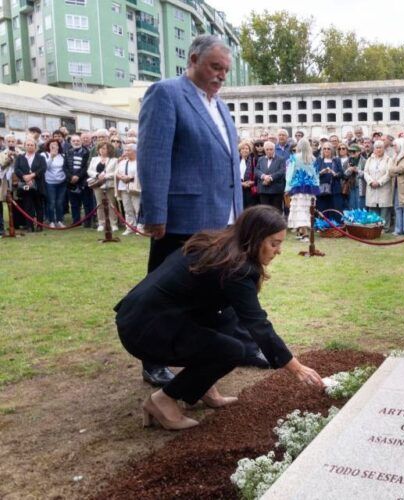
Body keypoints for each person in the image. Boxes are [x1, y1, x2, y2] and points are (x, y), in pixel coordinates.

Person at [115, 206, 324, 430]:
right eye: (274, 243)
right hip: (145, 330)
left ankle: (202, 385)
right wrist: (296, 367)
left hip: (141, 317)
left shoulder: (220, 245)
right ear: (254, 239)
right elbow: (257, 323)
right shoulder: (238, 268)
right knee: (231, 351)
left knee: (227, 320)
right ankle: (162, 400)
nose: (278, 250)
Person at [137, 35, 255, 388]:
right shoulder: (166, 93)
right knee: (164, 292)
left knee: (218, 290)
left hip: (222, 218)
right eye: (214, 67)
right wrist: (155, 213)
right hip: (180, 219)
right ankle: (153, 358)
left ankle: (229, 347)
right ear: (192, 59)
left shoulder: (219, 105)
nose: (221, 76)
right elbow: (153, 156)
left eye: (225, 70)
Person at [286, 138, 319, 242]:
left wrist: (287, 187)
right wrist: (316, 186)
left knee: (299, 210)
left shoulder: (294, 158)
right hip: (310, 189)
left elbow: (289, 174)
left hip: (297, 187)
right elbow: (316, 175)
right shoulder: (313, 158)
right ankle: (301, 232)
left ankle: (304, 235)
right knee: (306, 210)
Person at [13, 138, 47, 232]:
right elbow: (17, 169)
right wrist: (25, 177)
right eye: (28, 145)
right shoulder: (20, 157)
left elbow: (43, 168)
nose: (29, 146)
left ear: (35, 147)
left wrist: (32, 175)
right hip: (25, 186)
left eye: (32, 145)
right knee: (28, 206)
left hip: (38, 185)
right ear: (24, 146)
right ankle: (29, 226)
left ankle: (40, 226)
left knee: (39, 206)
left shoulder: (40, 157)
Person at [87, 141, 119, 232]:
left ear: (109, 149)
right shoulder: (94, 159)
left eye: (104, 148)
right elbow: (89, 171)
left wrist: (105, 176)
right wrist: (97, 175)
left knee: (111, 204)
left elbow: (116, 172)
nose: (102, 150)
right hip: (97, 184)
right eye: (100, 148)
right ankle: (101, 223)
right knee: (99, 204)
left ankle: (113, 224)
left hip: (109, 185)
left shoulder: (114, 160)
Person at [64, 134, 93, 228]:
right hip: (70, 182)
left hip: (83, 181)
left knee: (86, 203)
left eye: (78, 141)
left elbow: (86, 167)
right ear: (70, 142)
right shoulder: (67, 152)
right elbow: (65, 167)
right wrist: (71, 177)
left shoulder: (87, 152)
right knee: (74, 204)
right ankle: (76, 221)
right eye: (74, 141)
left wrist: (78, 176)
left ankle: (87, 222)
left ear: (81, 141)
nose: (76, 142)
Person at [364, 140, 394, 224]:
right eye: (377, 148)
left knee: (384, 209)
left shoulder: (388, 160)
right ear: (374, 149)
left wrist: (379, 182)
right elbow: (365, 172)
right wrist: (370, 182)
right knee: (373, 209)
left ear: (384, 149)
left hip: (384, 188)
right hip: (372, 187)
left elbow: (389, 174)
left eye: (380, 147)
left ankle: (384, 228)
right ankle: (374, 227)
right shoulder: (369, 159)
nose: (378, 150)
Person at [115, 143, 142, 235]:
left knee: (138, 208)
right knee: (127, 208)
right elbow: (117, 173)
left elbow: (140, 175)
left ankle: (140, 227)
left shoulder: (140, 162)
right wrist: (122, 177)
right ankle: (130, 227)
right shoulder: (122, 162)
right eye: (125, 150)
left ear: (135, 151)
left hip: (135, 188)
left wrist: (130, 178)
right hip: (123, 187)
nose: (126, 152)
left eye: (128, 150)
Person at [41, 138, 67, 228]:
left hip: (62, 182)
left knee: (59, 202)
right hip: (50, 182)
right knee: (51, 202)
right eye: (52, 144)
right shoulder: (44, 155)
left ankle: (59, 220)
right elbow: (45, 168)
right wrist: (51, 157)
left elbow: (65, 168)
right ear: (48, 146)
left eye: (56, 144)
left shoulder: (62, 155)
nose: (54, 146)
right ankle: (51, 220)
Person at [314, 142, 344, 220]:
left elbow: (342, 174)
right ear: (322, 150)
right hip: (322, 190)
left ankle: (336, 226)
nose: (326, 150)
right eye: (324, 148)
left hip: (335, 189)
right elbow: (314, 174)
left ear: (332, 150)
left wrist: (334, 174)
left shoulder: (336, 160)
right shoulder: (319, 160)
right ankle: (322, 226)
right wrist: (321, 172)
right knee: (322, 208)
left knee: (335, 208)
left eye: (328, 148)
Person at [256, 141, 287, 212]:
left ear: (274, 149)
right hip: (263, 190)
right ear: (264, 150)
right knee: (264, 212)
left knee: (276, 211)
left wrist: (270, 178)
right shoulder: (261, 159)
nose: (269, 151)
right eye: (267, 149)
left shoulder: (281, 159)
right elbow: (256, 170)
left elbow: (282, 171)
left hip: (276, 190)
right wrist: (263, 176)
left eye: (271, 149)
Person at [342, 144, 366, 210]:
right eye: (350, 151)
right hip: (350, 187)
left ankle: (360, 220)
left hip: (361, 186)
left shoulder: (364, 161)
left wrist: (357, 170)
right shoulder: (346, 162)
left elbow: (366, 174)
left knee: (360, 205)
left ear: (359, 152)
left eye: (354, 151)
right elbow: (344, 175)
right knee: (352, 206)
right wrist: (349, 170)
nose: (352, 153)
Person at [238, 141, 259, 208]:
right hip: (239, 187)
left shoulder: (254, 160)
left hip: (250, 188)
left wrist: (252, 182)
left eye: (247, 148)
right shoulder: (236, 160)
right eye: (243, 148)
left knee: (249, 208)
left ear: (249, 150)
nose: (245, 150)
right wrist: (241, 183)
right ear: (240, 150)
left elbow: (257, 173)